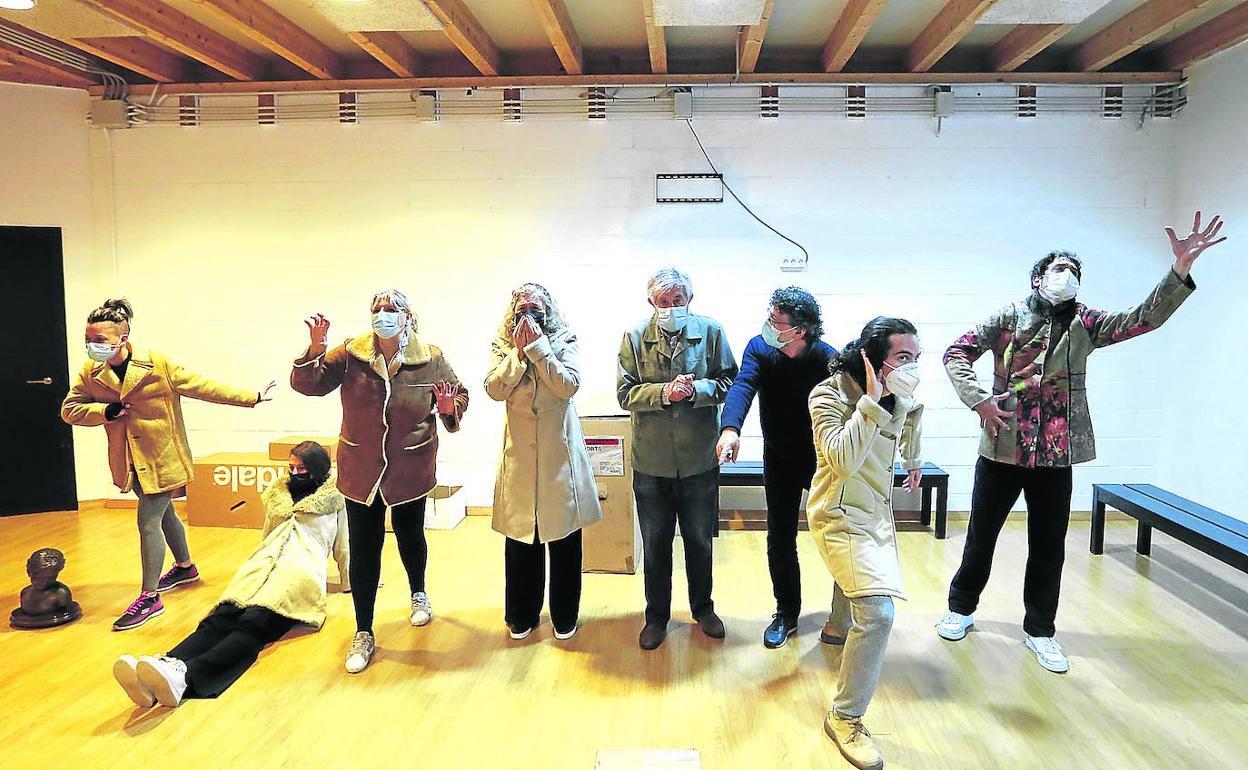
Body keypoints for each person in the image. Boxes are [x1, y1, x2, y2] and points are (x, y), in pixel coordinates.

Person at [936, 212, 1228, 675]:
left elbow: (1141, 320)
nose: (1067, 276)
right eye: (1059, 268)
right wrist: (980, 402)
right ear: (1037, 278)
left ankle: (1040, 630)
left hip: (1057, 454)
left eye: (1074, 271)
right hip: (1001, 448)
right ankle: (961, 608)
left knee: (1049, 544)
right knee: (981, 535)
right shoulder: (1007, 316)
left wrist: (1179, 271)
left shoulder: (1085, 322)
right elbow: (956, 353)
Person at [61, 298, 274, 631]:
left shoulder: (157, 364)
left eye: (100, 340)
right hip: (128, 460)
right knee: (165, 514)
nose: (92, 346)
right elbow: (70, 409)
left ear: (122, 339)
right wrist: (105, 412)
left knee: (148, 521)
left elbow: (204, 386)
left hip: (163, 457)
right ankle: (186, 567)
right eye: (88, 339)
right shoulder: (91, 373)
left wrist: (252, 396)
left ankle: (149, 597)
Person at [291, 289, 468, 674]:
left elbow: (459, 395)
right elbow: (309, 384)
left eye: (390, 309)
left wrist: (449, 409)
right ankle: (364, 630)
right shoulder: (350, 354)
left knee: (410, 534)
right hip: (361, 467)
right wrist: (315, 350)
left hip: (410, 466)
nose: (382, 315)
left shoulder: (430, 357)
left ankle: (418, 592)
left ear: (406, 317)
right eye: (377, 309)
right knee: (364, 547)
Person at [112, 442, 349, 708]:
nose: (294, 474)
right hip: (261, 567)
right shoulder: (278, 494)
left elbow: (343, 545)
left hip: (300, 573)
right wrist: (255, 564)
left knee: (254, 623)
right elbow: (268, 536)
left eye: (301, 469)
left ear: (317, 469)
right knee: (221, 616)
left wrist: (348, 581)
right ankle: (165, 665)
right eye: (291, 468)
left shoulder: (335, 500)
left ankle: (187, 678)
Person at [807, 317, 923, 770]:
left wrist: (914, 459)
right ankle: (845, 717)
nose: (912, 367)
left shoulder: (901, 393)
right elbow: (842, 461)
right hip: (839, 512)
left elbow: (913, 415)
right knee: (877, 614)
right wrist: (871, 403)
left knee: (856, 585)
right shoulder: (827, 395)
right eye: (903, 357)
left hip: (875, 508)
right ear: (872, 360)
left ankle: (837, 629)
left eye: (916, 357)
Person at [617, 267, 737, 650]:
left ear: (690, 299)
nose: (671, 306)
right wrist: (664, 393)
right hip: (651, 463)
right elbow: (624, 394)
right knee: (655, 544)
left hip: (699, 460)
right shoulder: (635, 337)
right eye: (663, 301)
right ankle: (656, 616)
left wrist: (697, 389)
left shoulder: (711, 332)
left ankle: (703, 609)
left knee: (700, 541)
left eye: (678, 300)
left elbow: (730, 382)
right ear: (651, 302)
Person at [716, 286, 838, 649]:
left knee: (838, 535)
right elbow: (743, 385)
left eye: (776, 322)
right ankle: (786, 613)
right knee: (780, 536)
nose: (769, 326)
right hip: (779, 457)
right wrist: (730, 429)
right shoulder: (760, 348)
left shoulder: (827, 359)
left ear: (800, 330)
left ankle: (843, 614)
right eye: (769, 318)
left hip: (822, 459)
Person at [485, 283, 603, 641]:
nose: (528, 317)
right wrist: (518, 354)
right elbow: (494, 388)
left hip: (559, 454)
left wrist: (538, 350)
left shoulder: (564, 339)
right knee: (522, 537)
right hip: (519, 454)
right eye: (521, 310)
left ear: (547, 312)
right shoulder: (502, 343)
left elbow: (568, 385)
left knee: (564, 537)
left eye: (535, 310)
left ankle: (565, 616)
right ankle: (521, 615)